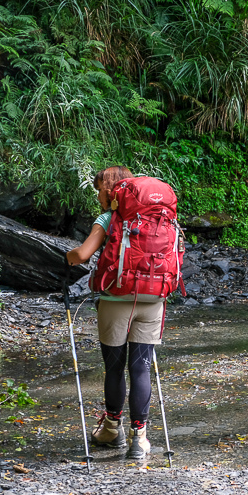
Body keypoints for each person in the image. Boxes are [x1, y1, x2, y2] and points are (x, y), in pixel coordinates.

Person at [66, 165, 161, 460]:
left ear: (109, 191)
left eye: (98, 191)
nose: (97, 197)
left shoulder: (109, 217)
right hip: (153, 298)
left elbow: (82, 254)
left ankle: (111, 429)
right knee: (141, 368)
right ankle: (139, 439)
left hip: (116, 301)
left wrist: (67, 257)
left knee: (115, 368)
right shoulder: (159, 216)